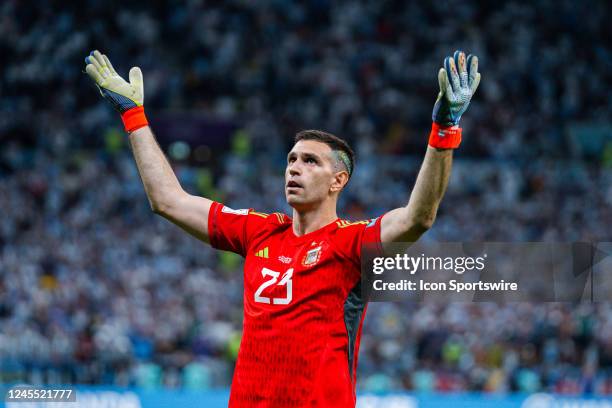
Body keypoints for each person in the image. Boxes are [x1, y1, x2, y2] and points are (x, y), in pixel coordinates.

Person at [84, 49, 480, 407]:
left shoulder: (351, 244)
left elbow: (417, 218)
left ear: (338, 181)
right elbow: (167, 200)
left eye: (310, 161)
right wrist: (133, 115)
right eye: (291, 159)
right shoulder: (258, 232)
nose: (294, 167)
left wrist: (443, 129)